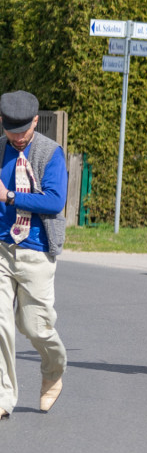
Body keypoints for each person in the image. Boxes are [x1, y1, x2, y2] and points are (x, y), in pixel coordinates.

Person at [0, 91, 68, 420]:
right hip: (1, 249)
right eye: (12, 131)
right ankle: (3, 397)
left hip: (36, 251)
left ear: (36, 122)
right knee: (0, 325)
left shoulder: (50, 153)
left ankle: (53, 370)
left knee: (35, 327)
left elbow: (55, 202)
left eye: (23, 132)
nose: (17, 138)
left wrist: (11, 196)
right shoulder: (1, 149)